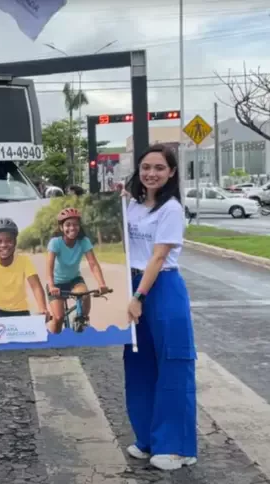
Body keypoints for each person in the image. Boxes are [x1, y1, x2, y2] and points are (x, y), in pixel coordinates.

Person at [123, 144, 197, 471]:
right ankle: (148, 438)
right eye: (146, 167)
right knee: (138, 365)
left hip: (161, 287)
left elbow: (158, 256)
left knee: (173, 365)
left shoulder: (171, 209)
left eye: (159, 168)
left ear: (171, 173)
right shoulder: (134, 206)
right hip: (132, 285)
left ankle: (177, 447)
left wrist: (139, 297)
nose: (151, 173)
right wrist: (115, 201)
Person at [45, 208, 108, 333]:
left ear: (79, 226)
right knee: (58, 318)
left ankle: (81, 321)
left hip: (74, 280)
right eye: (68, 225)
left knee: (84, 295)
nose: (72, 228)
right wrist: (51, 285)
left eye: (75, 224)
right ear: (61, 227)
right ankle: (52, 340)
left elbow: (93, 264)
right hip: (56, 283)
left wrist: (102, 284)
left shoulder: (83, 241)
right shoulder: (55, 242)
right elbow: (49, 267)